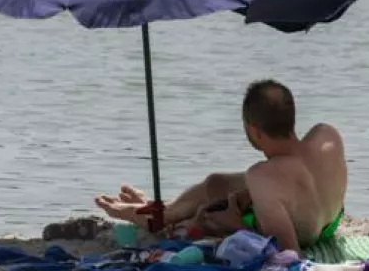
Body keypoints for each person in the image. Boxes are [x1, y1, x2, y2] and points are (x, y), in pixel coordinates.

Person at [94, 79, 347, 252]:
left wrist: (232, 225)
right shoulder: (327, 136)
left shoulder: (263, 176)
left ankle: (160, 218)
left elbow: (288, 254)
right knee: (216, 184)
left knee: (208, 217)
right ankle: (166, 208)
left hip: (305, 233)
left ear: (254, 130)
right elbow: (295, 183)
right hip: (327, 220)